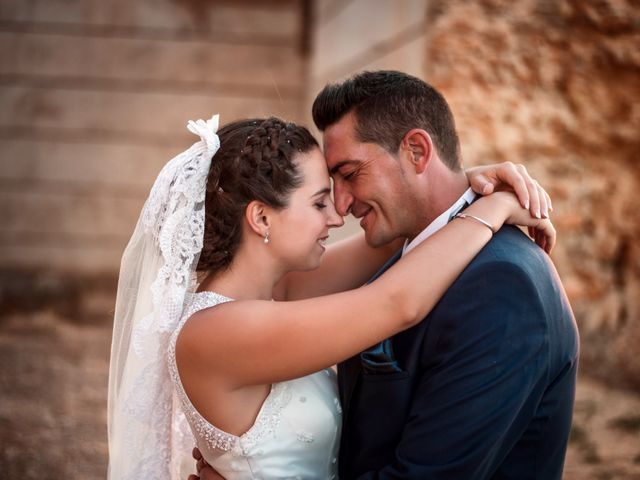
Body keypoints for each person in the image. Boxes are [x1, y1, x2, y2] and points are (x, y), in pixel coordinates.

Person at [108, 112, 553, 479]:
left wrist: (463, 185)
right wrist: (495, 208)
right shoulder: (218, 331)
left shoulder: (276, 292)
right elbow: (397, 303)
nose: (338, 216)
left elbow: (395, 235)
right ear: (261, 218)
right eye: (320, 202)